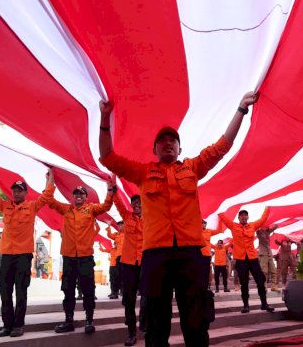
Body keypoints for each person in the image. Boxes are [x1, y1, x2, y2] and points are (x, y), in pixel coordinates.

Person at [99, 91, 258, 347]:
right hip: (155, 256)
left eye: (173, 140)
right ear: (154, 149)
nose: (167, 143)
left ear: (180, 148)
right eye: (162, 141)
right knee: (155, 323)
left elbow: (223, 146)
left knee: (196, 321)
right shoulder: (143, 172)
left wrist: (240, 109)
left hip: (191, 254)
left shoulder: (192, 168)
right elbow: (107, 157)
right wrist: (105, 119)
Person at [0, 169, 55, 337]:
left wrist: (50, 178)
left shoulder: (32, 206)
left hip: (23, 255)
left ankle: (18, 325)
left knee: (21, 290)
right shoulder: (5, 205)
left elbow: (47, 196)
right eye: (14, 190)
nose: (16, 192)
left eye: (20, 190)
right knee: (4, 288)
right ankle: (7, 325)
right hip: (6, 254)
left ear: (25, 193)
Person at [48, 182, 114, 335]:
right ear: (73, 197)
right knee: (68, 290)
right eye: (76, 193)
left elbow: (106, 206)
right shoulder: (66, 209)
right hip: (69, 257)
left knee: (88, 290)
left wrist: (110, 190)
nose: (79, 196)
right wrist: (50, 179)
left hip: (85, 257)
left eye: (81, 194)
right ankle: (68, 321)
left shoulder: (91, 209)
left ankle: (89, 320)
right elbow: (50, 201)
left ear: (85, 197)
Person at [219, 208, 275, 313]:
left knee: (260, 280)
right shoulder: (233, 226)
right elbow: (224, 219)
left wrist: (268, 207)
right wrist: (218, 208)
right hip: (240, 259)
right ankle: (246, 306)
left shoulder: (252, 225)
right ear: (239, 217)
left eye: (245, 215)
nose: (244, 217)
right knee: (244, 283)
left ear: (247, 217)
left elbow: (263, 219)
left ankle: (264, 304)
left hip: (253, 258)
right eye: (241, 215)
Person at [113, 192, 145, 346]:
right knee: (129, 300)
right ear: (131, 205)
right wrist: (112, 189)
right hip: (128, 264)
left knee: (148, 297)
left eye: (139, 202)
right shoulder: (127, 216)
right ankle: (132, 333)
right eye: (134, 203)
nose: (137, 205)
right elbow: (118, 202)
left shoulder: (152, 218)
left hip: (145, 264)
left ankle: (146, 324)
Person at [201, 220, 224, 290]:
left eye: (205, 223)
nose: (203, 224)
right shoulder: (196, 231)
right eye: (202, 223)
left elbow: (219, 230)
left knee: (207, 271)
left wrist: (220, 220)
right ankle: (201, 286)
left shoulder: (209, 231)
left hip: (207, 255)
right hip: (199, 254)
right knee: (200, 271)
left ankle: (207, 285)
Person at [256, 223, 278, 291]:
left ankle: (274, 286)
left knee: (273, 270)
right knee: (264, 271)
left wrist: (274, 221)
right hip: (263, 253)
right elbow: (255, 227)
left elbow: (276, 226)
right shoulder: (259, 232)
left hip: (269, 253)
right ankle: (263, 286)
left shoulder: (268, 233)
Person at [106, 221, 124, 299]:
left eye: (121, 225)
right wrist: (109, 226)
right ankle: (115, 292)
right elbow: (109, 235)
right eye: (119, 226)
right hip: (118, 257)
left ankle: (124, 292)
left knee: (126, 275)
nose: (120, 227)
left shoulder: (128, 233)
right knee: (116, 275)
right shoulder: (116, 235)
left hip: (127, 256)